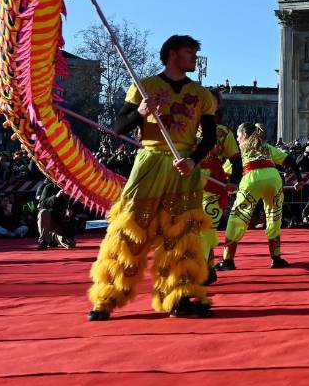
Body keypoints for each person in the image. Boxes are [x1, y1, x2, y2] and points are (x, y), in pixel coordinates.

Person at [86, 35, 219, 321]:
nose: (194, 58)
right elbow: (117, 127)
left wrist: (193, 160)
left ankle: (179, 297)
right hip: (150, 162)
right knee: (130, 227)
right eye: (189, 52)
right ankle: (106, 298)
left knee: (183, 234)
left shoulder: (202, 95)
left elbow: (210, 137)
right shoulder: (144, 86)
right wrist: (140, 112)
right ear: (173, 54)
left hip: (184, 167)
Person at [216, 123, 289, 270]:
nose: (237, 139)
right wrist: (300, 180)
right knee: (274, 215)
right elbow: (289, 160)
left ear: (244, 135)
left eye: (238, 136)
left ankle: (228, 260)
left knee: (238, 217)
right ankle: (276, 258)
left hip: (251, 179)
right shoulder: (266, 147)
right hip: (274, 178)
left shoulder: (240, 150)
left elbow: (226, 171)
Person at [197, 94, 243, 279]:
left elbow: (236, 159)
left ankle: (200, 270)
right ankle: (207, 269)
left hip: (214, 183)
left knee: (206, 226)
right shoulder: (186, 128)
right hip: (189, 181)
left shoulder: (223, 132)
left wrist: (234, 181)